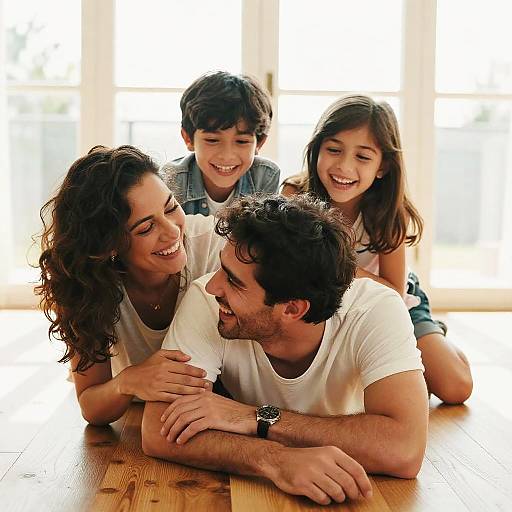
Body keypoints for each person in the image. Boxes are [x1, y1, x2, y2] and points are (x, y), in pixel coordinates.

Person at [142, 195, 429, 506]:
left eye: (234, 283)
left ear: (292, 308)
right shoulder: (206, 300)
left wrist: (255, 418)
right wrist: (274, 460)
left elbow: (404, 449)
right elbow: (158, 430)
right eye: (221, 269)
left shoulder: (376, 309)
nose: (213, 287)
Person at [282, 95, 473, 404]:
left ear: (382, 166)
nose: (344, 166)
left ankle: (435, 334)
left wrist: (334, 262)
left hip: (388, 302)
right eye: (333, 150)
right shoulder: (294, 195)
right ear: (317, 149)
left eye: (363, 157)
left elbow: (394, 293)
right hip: (324, 305)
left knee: (455, 387)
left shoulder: (387, 214)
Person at [36, 145, 225, 425]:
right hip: (145, 420)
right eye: (146, 228)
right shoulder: (87, 287)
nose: (172, 231)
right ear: (108, 245)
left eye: (171, 207)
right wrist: (128, 381)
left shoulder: (213, 245)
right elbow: (91, 406)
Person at [161, 70, 281, 216]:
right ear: (188, 139)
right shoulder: (172, 179)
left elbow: (264, 236)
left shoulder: (265, 176)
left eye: (242, 141)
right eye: (212, 140)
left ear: (259, 143)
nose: (226, 156)